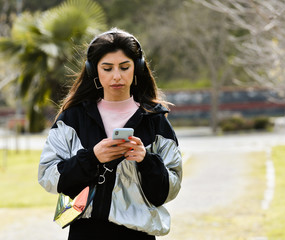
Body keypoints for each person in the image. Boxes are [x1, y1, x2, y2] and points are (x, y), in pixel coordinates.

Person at [38, 28, 182, 240]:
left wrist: (146, 160)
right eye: (107, 68)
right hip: (85, 234)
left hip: (138, 235)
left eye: (125, 67)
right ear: (93, 70)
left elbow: (169, 190)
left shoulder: (156, 120)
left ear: (138, 68)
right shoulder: (73, 118)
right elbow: (48, 176)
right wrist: (92, 157)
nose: (117, 76)